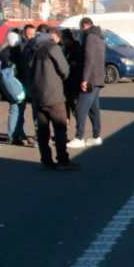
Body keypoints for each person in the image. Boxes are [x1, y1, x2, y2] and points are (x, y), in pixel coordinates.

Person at [21, 23, 79, 170]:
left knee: (42, 130)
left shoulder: (29, 49)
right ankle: (62, 160)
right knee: (60, 128)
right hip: (53, 94)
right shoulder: (52, 48)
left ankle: (46, 160)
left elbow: (24, 71)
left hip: (36, 95)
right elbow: (64, 69)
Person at [68, 17, 105, 149]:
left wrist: (85, 79)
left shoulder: (89, 38)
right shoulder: (99, 37)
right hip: (98, 78)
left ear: (84, 26)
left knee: (80, 108)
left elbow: (89, 59)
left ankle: (79, 137)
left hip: (91, 79)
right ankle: (96, 136)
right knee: (93, 109)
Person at [0, 27, 33, 146]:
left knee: (15, 110)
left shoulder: (4, 53)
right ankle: (16, 134)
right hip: (19, 84)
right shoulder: (19, 52)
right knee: (18, 111)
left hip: (9, 86)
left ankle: (16, 134)